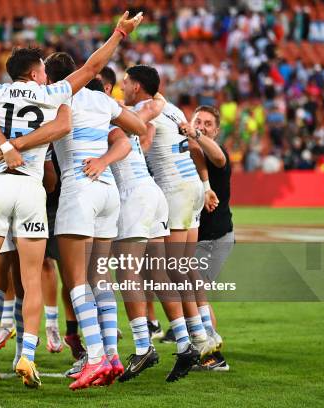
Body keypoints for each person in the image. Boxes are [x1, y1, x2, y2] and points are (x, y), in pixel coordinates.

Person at [0, 10, 145, 389]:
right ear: (37, 73)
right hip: (32, 190)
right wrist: (119, 32)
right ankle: (28, 355)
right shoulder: (53, 93)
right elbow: (92, 67)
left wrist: (4, 144)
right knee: (33, 277)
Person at [124, 65, 220, 361]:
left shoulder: (145, 109)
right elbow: (193, 148)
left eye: (126, 83)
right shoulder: (174, 109)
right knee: (185, 266)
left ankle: (201, 340)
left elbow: (134, 135)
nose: (123, 87)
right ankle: (205, 332)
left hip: (174, 189)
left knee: (174, 269)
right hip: (190, 185)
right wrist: (204, 186)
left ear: (138, 87)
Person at [180, 105, 232, 372]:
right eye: (197, 121)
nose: (201, 125)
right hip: (196, 235)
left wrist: (197, 135)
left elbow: (220, 159)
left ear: (216, 130)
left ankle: (213, 354)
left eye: (208, 123)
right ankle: (202, 344)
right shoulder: (188, 149)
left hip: (214, 237)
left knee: (195, 290)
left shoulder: (215, 154)